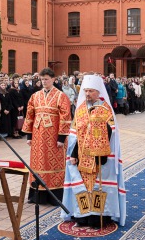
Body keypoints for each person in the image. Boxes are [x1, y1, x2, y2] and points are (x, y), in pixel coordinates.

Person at [61, 74, 126, 228]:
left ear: (98, 92)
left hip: (101, 157)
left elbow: (112, 133)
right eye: (86, 91)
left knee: (99, 186)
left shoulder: (105, 109)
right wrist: (73, 154)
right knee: (82, 187)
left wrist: (101, 151)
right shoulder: (80, 110)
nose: (88, 94)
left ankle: (98, 218)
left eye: (91, 91)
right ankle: (82, 217)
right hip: (81, 157)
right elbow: (75, 135)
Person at [22, 68, 72, 204]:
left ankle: (55, 196)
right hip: (38, 137)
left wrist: (61, 138)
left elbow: (65, 117)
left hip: (54, 138)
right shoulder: (35, 96)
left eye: (46, 79)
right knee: (38, 164)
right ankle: (38, 196)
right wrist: (29, 136)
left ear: (53, 80)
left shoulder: (61, 96)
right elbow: (29, 115)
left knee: (54, 164)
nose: (44, 82)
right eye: (42, 79)